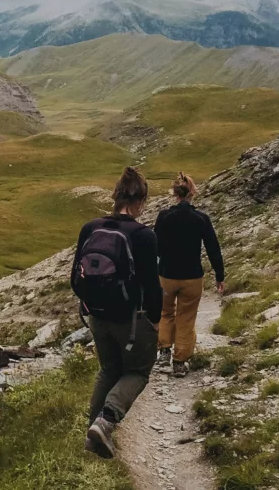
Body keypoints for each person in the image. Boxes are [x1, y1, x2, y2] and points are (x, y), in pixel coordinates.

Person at [71, 167, 161, 459]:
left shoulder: (91, 227)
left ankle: (91, 436)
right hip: (131, 319)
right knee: (137, 371)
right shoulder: (144, 235)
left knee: (108, 369)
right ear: (141, 200)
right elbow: (152, 285)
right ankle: (106, 421)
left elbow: (75, 277)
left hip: (97, 315)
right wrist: (155, 320)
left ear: (115, 195)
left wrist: (89, 305)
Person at [153, 173, 225, 377]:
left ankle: (164, 352)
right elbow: (213, 248)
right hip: (192, 276)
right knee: (186, 318)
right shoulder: (201, 218)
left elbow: (155, 247)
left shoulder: (163, 216)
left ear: (174, 193)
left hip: (166, 275)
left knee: (165, 313)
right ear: (193, 192)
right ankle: (179, 362)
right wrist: (220, 275)